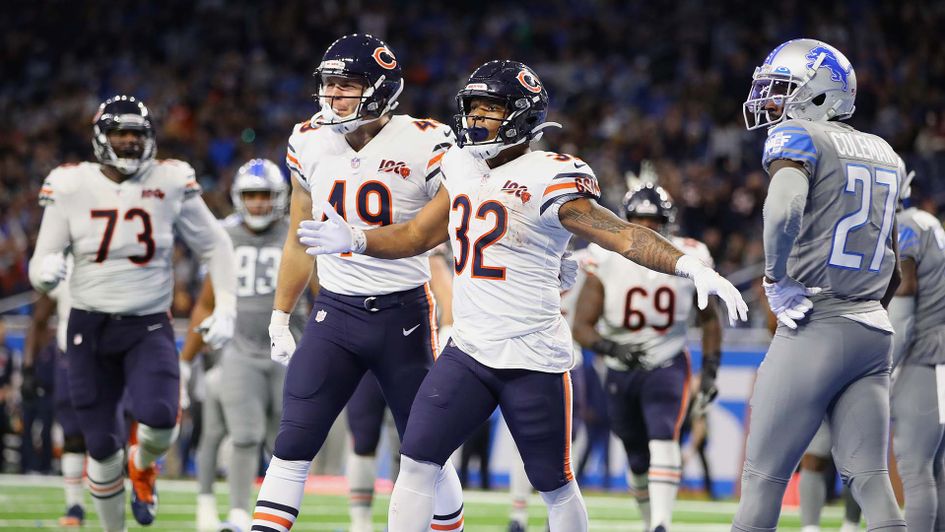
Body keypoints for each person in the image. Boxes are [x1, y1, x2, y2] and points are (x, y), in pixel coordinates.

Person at [297, 59, 747, 531]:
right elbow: (414, 236)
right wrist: (359, 240)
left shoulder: (552, 174)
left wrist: (689, 264)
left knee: (553, 482)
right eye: (472, 109)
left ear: (522, 114)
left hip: (531, 355)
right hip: (469, 350)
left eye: (489, 109)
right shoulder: (462, 166)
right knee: (417, 460)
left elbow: (622, 235)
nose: (475, 120)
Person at [250, 34, 465, 532]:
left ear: (382, 89)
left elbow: (437, 232)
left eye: (346, 85)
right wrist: (281, 314)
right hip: (335, 314)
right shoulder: (307, 139)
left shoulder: (428, 141)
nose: (333, 95)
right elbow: (300, 236)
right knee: (293, 442)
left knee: (424, 447)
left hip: (403, 314)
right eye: (328, 84)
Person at [28, 95, 237, 531]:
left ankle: (143, 466)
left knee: (161, 418)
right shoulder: (69, 184)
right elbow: (41, 262)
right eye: (119, 133)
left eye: (135, 134)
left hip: (147, 325)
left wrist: (228, 307)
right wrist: (46, 274)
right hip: (89, 326)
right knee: (101, 446)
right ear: (100, 138)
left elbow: (216, 244)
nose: (127, 141)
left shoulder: (171, 178)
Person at [733, 39, 906, 531]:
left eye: (784, 88)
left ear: (821, 94)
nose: (771, 100)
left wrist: (775, 277)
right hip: (873, 327)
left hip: (816, 323)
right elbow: (894, 255)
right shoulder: (887, 153)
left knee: (762, 477)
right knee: (871, 480)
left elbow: (784, 209)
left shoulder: (799, 136)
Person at [573, 182, 722, 532]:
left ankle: (660, 524)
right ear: (627, 220)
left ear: (668, 223)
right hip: (620, 367)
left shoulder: (691, 256)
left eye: (654, 221)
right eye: (639, 220)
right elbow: (581, 325)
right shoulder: (606, 257)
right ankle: (648, 522)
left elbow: (710, 320)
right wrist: (613, 348)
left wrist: (711, 370)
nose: (647, 228)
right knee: (637, 458)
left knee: (664, 436)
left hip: (667, 360)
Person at [180, 159, 307, 532]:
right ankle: (237, 515)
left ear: (279, 197)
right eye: (250, 195)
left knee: (283, 441)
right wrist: (186, 360)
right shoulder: (225, 236)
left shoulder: (294, 232)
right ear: (238, 197)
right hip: (238, 349)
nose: (257, 204)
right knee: (244, 435)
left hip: (287, 350)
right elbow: (205, 302)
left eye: (264, 195)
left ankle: (274, 517)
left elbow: (320, 296)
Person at [889, 162, 945, 530]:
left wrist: (886, 362)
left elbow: (905, 289)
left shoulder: (906, 225)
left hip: (927, 355)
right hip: (940, 356)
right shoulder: (929, 223)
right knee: (936, 466)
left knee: (914, 463)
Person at [22, 256, 89, 526]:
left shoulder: (115, 259)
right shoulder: (65, 267)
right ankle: (75, 504)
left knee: (107, 435)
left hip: (108, 358)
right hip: (71, 357)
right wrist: (28, 367)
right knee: (72, 434)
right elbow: (39, 319)